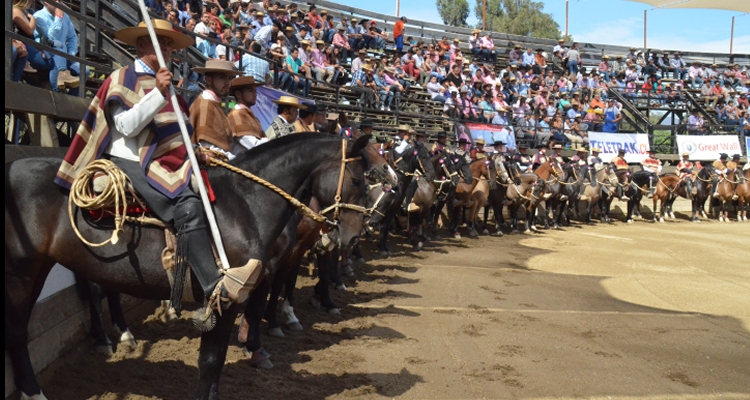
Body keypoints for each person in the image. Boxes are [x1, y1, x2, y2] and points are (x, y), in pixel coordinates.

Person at [54, 19, 256, 315]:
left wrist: (196, 152)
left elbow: (179, 134)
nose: (167, 49)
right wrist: (158, 93)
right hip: (129, 159)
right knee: (185, 204)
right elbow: (125, 127)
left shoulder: (168, 84)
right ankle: (213, 288)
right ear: (140, 46)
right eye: (160, 43)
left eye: (170, 44)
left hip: (167, 160)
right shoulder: (123, 77)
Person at [190, 60, 242, 159]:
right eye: (222, 77)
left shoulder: (213, 104)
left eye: (229, 78)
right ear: (208, 80)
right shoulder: (205, 105)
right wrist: (238, 163)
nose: (227, 83)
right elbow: (209, 149)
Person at [34, 1, 82, 95]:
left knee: (84, 70)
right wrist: (58, 18)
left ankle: (72, 97)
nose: (57, 2)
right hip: (47, 52)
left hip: (64, 54)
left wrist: (71, 54)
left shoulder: (66, 17)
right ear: (45, 2)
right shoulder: (38, 17)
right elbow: (51, 39)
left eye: (59, 0)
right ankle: (56, 92)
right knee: (57, 50)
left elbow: (72, 37)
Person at [227, 76, 268, 153]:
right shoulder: (236, 115)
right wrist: (268, 140)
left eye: (255, 91)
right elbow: (253, 145)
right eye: (250, 91)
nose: (255, 94)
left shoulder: (251, 116)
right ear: (238, 94)